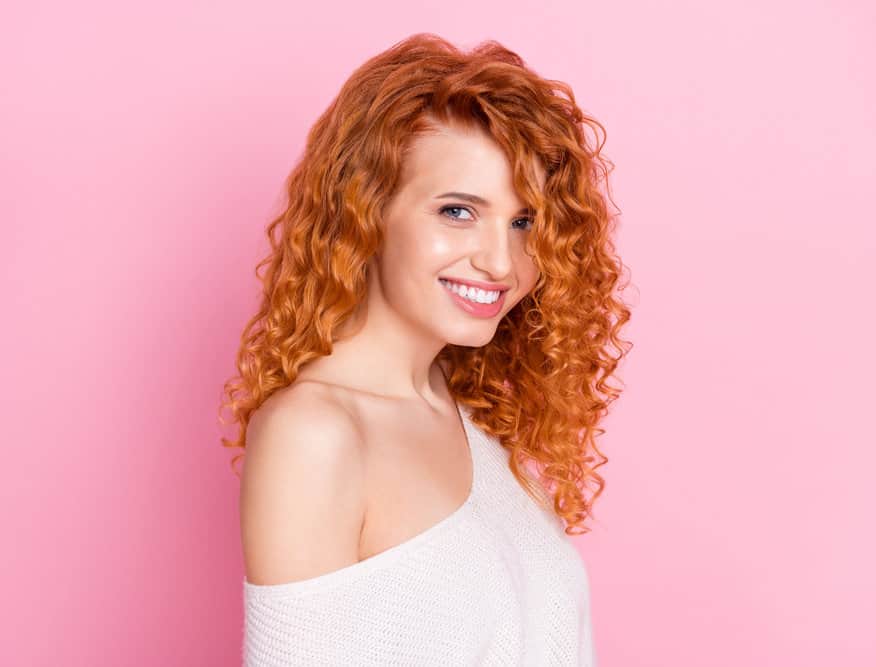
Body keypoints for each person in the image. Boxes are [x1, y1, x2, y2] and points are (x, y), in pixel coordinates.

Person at [218, 32, 632, 666]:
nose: (501, 261)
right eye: (458, 211)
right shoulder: (316, 433)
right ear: (367, 210)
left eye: (523, 222)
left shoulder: (476, 416)